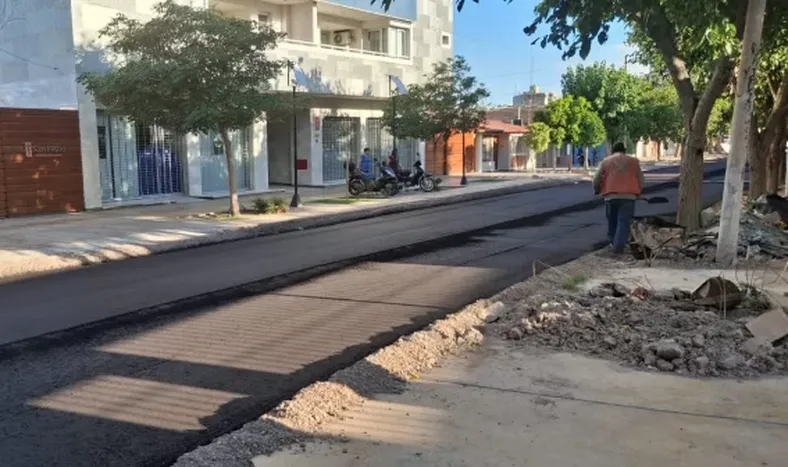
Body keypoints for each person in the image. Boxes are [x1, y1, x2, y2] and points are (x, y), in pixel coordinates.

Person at [593, 142, 645, 255]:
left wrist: (596, 189)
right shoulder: (634, 162)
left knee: (612, 221)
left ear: (613, 150)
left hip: (610, 196)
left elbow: (596, 179)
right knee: (624, 222)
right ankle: (619, 246)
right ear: (624, 150)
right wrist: (639, 192)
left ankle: (612, 242)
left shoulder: (606, 161)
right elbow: (641, 179)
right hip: (629, 196)